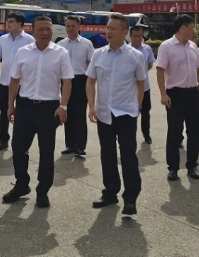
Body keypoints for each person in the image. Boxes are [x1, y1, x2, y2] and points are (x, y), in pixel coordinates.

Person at [2, 15, 74, 208]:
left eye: (48, 29)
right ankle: (21, 184)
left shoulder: (61, 53)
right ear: (32, 31)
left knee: (46, 151)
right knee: (18, 148)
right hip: (25, 106)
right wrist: (11, 104)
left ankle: (43, 191)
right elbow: (14, 79)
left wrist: (63, 106)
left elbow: (67, 81)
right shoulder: (23, 52)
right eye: (41, 29)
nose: (45, 32)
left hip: (49, 109)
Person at [87, 13, 146, 216]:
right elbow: (90, 81)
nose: (108, 31)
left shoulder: (135, 56)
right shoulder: (98, 54)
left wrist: (137, 106)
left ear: (124, 32)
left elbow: (140, 84)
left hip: (126, 113)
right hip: (104, 113)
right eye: (107, 28)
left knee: (128, 156)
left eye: (113, 28)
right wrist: (91, 106)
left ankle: (130, 199)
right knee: (107, 154)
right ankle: (110, 192)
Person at [155, 14, 199, 181]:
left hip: (193, 94)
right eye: (192, 27)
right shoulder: (166, 47)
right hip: (175, 95)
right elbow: (160, 71)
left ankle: (192, 165)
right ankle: (173, 168)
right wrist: (163, 94)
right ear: (183, 27)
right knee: (174, 133)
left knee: (195, 132)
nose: (194, 31)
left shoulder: (193, 47)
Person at [0, 11, 34, 151]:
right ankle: (3, 140)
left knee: (21, 114)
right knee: (4, 112)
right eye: (7, 21)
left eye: (11, 21)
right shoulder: (2, 39)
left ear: (20, 23)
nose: (8, 24)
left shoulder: (29, 40)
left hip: (23, 85)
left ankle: (19, 141)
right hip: (5, 83)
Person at [57, 15, 95, 156]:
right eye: (68, 26)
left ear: (79, 27)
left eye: (73, 26)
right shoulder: (60, 44)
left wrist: (90, 82)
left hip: (81, 81)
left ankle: (80, 146)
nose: (70, 28)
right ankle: (70, 145)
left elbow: (91, 64)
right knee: (66, 112)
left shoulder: (87, 44)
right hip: (65, 81)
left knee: (79, 114)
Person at [129, 25, 155, 144]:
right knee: (130, 113)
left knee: (145, 112)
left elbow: (150, 65)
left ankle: (146, 134)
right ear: (130, 36)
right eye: (135, 36)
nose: (138, 39)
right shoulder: (126, 50)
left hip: (145, 87)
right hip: (130, 88)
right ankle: (130, 136)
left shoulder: (147, 49)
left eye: (140, 36)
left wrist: (141, 75)